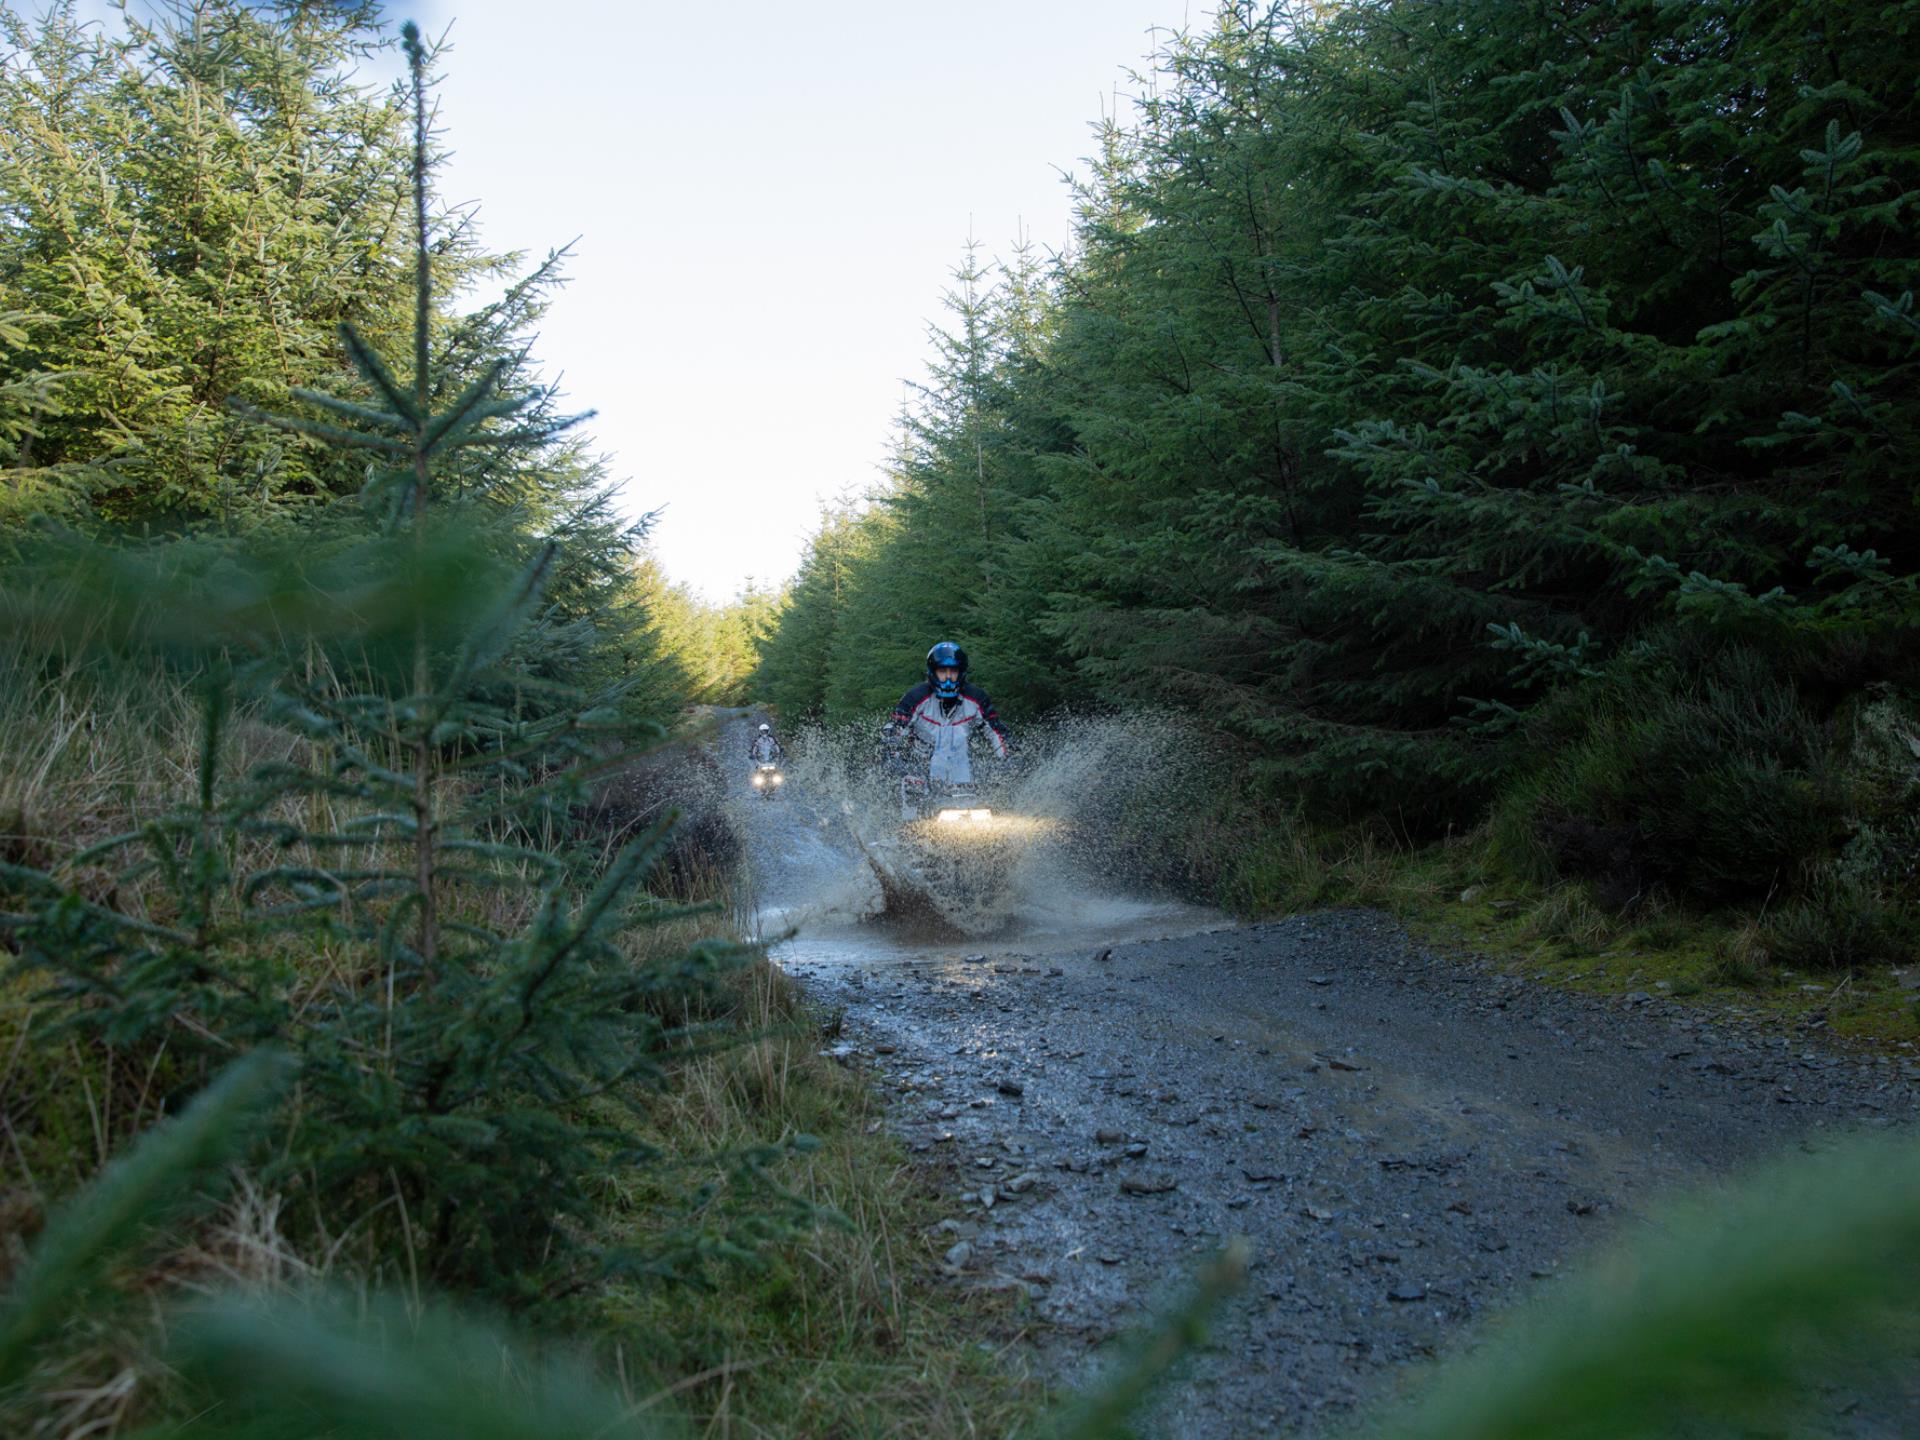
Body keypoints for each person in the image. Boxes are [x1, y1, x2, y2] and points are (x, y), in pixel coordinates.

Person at [885, 641, 1008, 788]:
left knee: (989, 800)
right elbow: (895, 729)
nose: (948, 677)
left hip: (963, 770)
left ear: (961, 673)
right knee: (908, 792)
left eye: (953, 671)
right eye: (943, 671)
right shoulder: (915, 697)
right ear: (933, 672)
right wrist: (893, 757)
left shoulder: (976, 698)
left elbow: (996, 732)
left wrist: (1007, 759)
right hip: (918, 769)